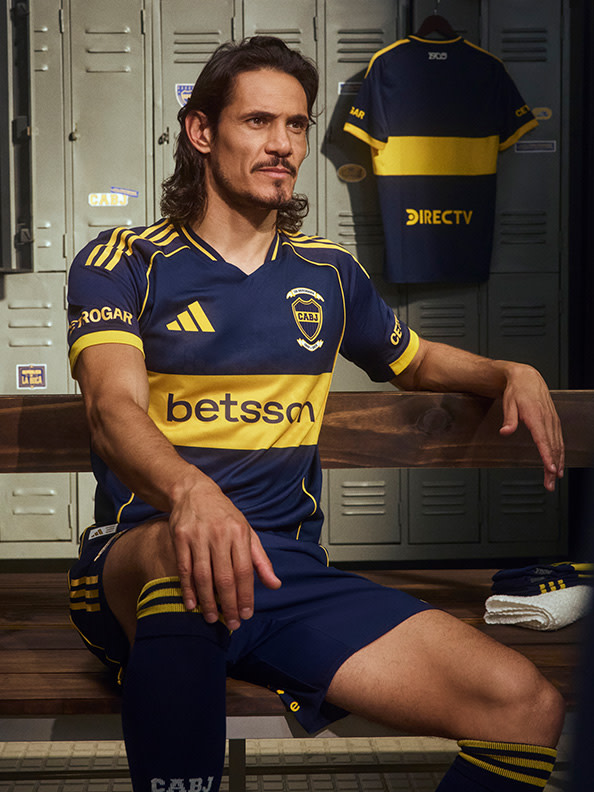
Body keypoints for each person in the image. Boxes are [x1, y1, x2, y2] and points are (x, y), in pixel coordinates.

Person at [67, 36, 565, 792]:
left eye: (297, 126)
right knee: (181, 555)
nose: (284, 146)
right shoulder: (126, 261)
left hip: (283, 571)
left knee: (524, 703)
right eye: (259, 123)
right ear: (202, 132)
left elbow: (415, 359)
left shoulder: (327, 274)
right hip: (143, 558)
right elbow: (112, 408)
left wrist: (508, 370)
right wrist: (193, 494)